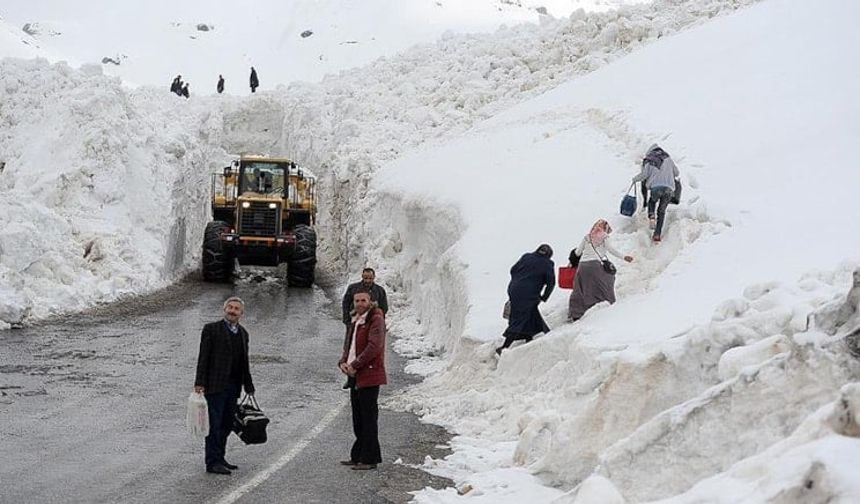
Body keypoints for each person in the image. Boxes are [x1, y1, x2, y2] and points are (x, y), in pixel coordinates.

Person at [194, 297, 255, 475]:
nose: (232, 311)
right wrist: (199, 382)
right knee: (214, 424)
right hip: (215, 386)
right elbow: (203, 358)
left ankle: (220, 457)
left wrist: (248, 385)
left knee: (227, 424)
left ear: (241, 314)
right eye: (230, 307)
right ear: (224, 309)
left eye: (236, 309)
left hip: (233, 387)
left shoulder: (243, 334)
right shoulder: (211, 330)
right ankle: (212, 462)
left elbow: (245, 362)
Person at [338, 289, 387, 470]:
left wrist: (355, 364)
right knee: (358, 418)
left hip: (369, 374)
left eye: (363, 300)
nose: (360, 303)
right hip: (355, 375)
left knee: (368, 418)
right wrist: (343, 361)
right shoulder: (356, 319)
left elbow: (374, 347)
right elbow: (349, 344)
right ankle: (358, 455)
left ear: (370, 301)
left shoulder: (375, 319)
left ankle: (370, 458)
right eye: (357, 300)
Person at [568, 220, 633, 321]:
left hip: (582, 266)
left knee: (579, 289)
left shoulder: (587, 237)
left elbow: (577, 252)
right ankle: (607, 306)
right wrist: (624, 257)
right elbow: (611, 249)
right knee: (605, 283)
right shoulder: (604, 236)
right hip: (594, 265)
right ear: (605, 228)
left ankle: (576, 313)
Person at [496, 244, 555, 355]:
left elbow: (513, 270)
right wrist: (544, 297)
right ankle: (504, 347)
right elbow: (551, 283)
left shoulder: (526, 257)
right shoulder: (547, 263)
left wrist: (518, 280)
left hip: (514, 289)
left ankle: (530, 335)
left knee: (530, 313)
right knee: (520, 317)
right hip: (528, 294)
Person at [632, 144, 680, 242]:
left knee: (652, 202)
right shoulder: (668, 159)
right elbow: (677, 173)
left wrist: (635, 179)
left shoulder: (649, 160)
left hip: (656, 187)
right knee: (661, 211)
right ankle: (657, 234)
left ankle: (651, 216)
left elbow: (644, 175)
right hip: (669, 189)